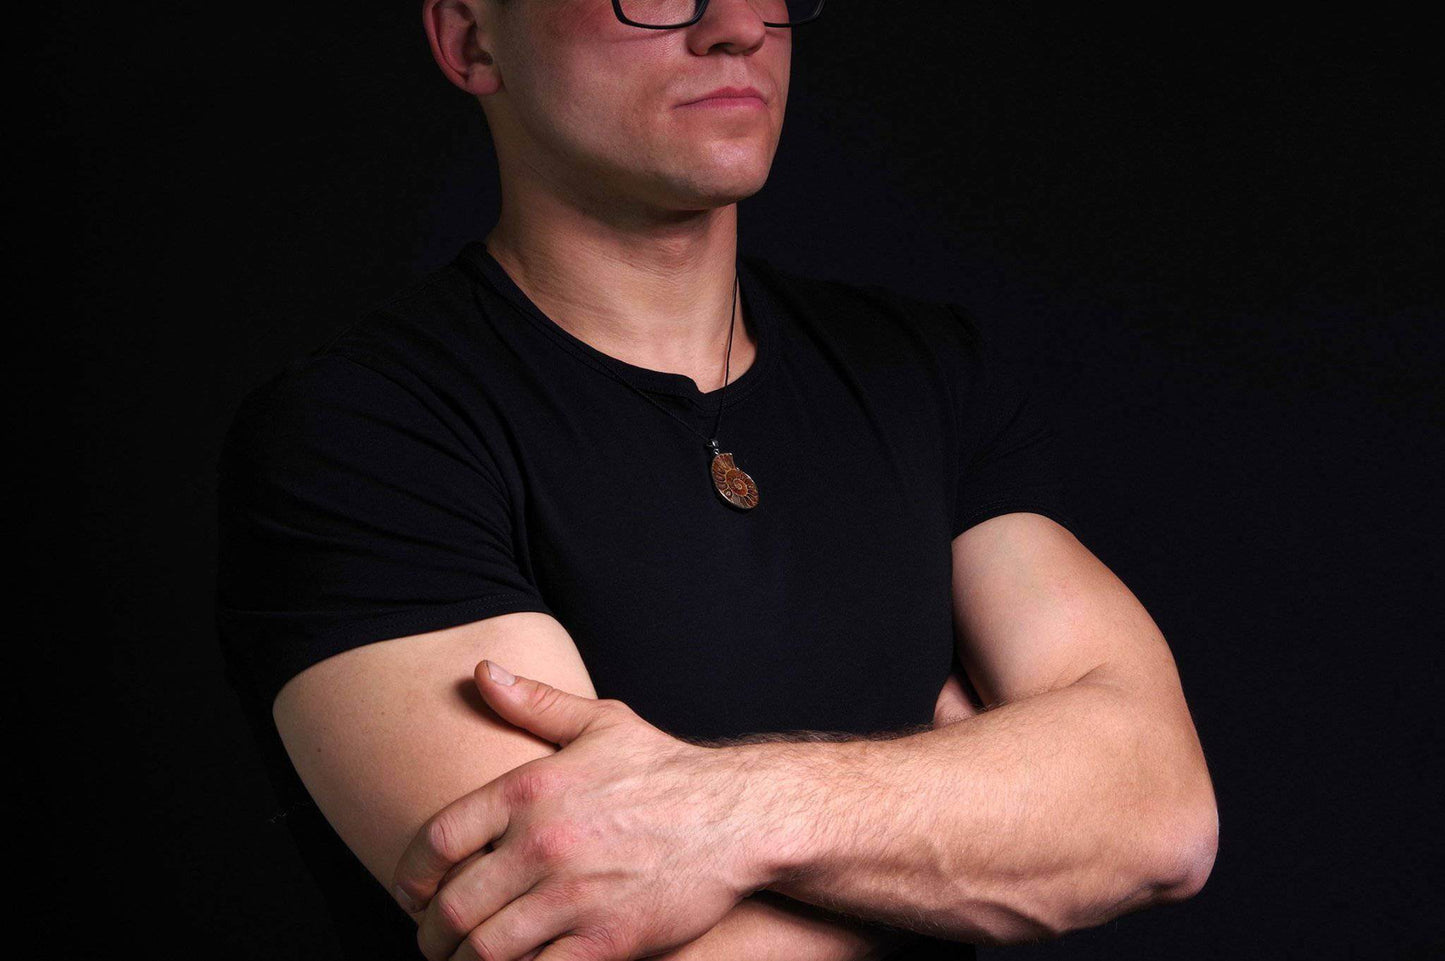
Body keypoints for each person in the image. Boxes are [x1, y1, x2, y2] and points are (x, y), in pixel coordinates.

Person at [214, 1, 1219, 959]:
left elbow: (1159, 812)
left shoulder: (923, 371)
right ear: (474, 42)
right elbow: (564, 938)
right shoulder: (362, 435)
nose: (739, 26)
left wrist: (722, 816)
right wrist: (981, 812)